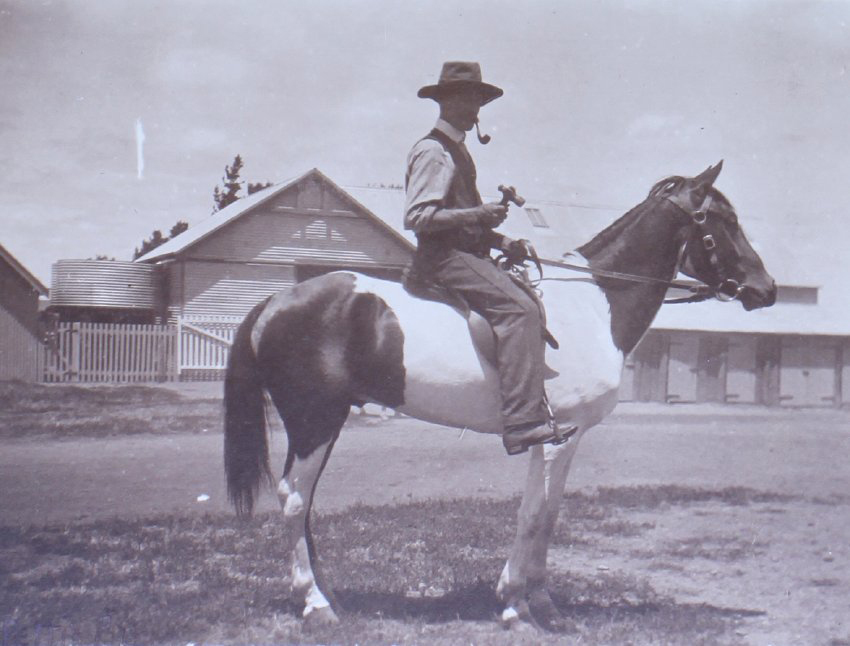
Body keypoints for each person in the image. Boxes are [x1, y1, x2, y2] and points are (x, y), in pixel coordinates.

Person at [404, 61, 561, 455]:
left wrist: (504, 241)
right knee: (519, 310)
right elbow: (418, 217)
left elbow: (464, 223)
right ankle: (523, 422)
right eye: (466, 100)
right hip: (442, 260)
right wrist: (479, 214)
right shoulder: (433, 150)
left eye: (478, 101)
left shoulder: (458, 150)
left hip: (462, 252)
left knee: (529, 299)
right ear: (446, 102)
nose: (475, 110)